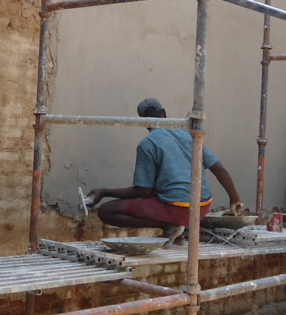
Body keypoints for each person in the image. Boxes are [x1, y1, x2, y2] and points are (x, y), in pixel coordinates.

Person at [86, 97, 243, 245]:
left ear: (143, 122)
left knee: (107, 211)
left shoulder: (148, 144)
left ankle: (168, 226)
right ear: (164, 113)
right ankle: (177, 232)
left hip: (178, 208)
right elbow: (218, 168)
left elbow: (143, 191)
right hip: (201, 207)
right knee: (161, 191)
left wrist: (104, 192)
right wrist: (234, 198)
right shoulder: (189, 134)